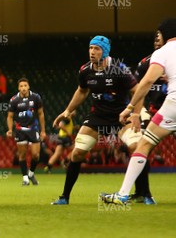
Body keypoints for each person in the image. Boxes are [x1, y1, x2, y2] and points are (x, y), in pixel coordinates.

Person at [51, 35, 142, 205]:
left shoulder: (119, 68)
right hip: (98, 116)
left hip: (121, 115)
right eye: (90, 48)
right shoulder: (85, 70)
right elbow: (82, 91)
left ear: (105, 51)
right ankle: (64, 197)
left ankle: (143, 194)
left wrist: (134, 113)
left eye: (97, 49)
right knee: (77, 152)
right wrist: (68, 110)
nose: (92, 52)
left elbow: (137, 91)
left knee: (136, 147)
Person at [101, 19, 176, 206]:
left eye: (159, 33)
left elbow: (146, 82)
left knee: (143, 144)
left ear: (165, 33)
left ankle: (123, 195)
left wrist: (130, 109)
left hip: (172, 106)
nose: (157, 37)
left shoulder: (163, 52)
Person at [125, 30, 167, 203]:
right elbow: (138, 90)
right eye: (155, 38)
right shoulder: (145, 64)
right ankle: (144, 192)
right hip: (154, 111)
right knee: (140, 147)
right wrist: (135, 113)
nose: (157, 40)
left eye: (161, 37)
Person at [6, 78, 46, 186]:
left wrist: (43, 130)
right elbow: (10, 116)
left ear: (28, 86)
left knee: (36, 155)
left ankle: (31, 173)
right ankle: (25, 178)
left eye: (25, 85)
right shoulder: (14, 100)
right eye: (21, 86)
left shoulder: (36, 97)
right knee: (22, 155)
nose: (23, 88)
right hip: (20, 130)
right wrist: (10, 129)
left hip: (34, 129)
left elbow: (41, 114)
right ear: (18, 88)